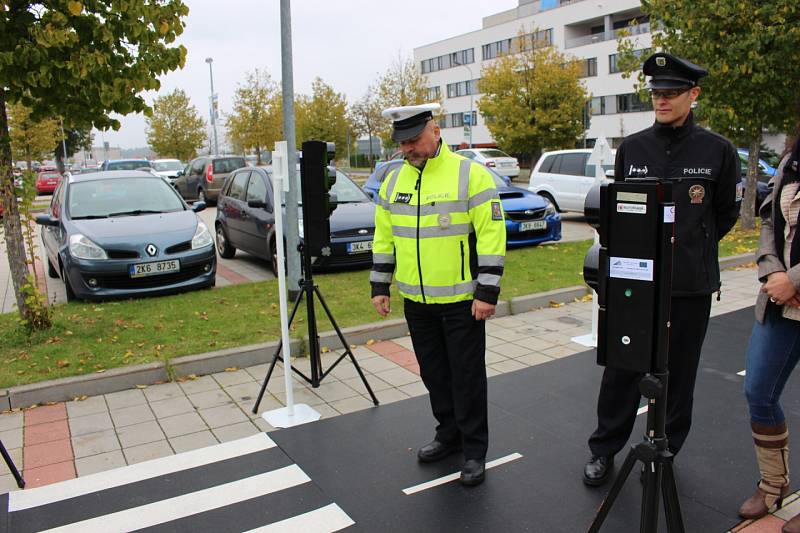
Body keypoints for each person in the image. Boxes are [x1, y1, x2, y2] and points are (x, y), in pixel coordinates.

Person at [583, 52, 740, 486]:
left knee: (678, 375)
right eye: (656, 93)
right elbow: (620, 214)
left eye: (671, 93)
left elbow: (723, 215)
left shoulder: (718, 151)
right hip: (637, 283)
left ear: (694, 94)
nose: (662, 100)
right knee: (622, 369)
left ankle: (663, 451)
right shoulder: (633, 148)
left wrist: (690, 250)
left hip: (689, 286)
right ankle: (603, 449)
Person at [370, 103, 506, 487]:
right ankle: (449, 435)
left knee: (466, 377)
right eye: (402, 143)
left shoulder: (470, 175)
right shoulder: (392, 180)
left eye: (414, 140)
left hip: (463, 301)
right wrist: (380, 285)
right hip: (417, 301)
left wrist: (487, 291)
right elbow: (384, 237)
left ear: (436, 130)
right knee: (434, 374)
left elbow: (493, 237)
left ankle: (475, 450)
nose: (408, 149)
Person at [737, 135, 800, 533]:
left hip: (790, 290)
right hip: (781, 303)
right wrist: (773, 270)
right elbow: (768, 220)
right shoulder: (793, 157)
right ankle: (774, 483)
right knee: (759, 391)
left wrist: (793, 279)